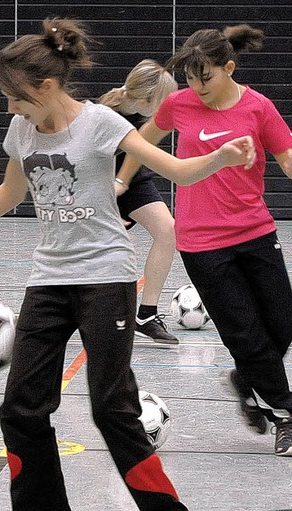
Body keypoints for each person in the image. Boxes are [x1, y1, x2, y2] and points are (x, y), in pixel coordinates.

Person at [0, 18, 255, 511]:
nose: (9, 109)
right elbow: (9, 190)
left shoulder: (100, 124)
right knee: (21, 407)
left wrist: (220, 157)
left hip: (106, 279)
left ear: (46, 88)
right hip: (48, 280)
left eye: (15, 98)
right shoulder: (23, 132)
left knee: (111, 406)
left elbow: (175, 171)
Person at [116, 25, 292, 456]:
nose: (197, 87)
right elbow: (140, 142)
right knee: (245, 333)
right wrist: (121, 181)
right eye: (191, 78)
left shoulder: (259, 107)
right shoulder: (179, 104)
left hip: (255, 230)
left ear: (228, 68)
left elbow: (287, 156)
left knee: (283, 324)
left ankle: (245, 379)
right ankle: (285, 414)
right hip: (202, 243)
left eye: (205, 78)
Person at [98, 60, 179, 345]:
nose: (163, 110)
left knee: (168, 230)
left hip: (131, 180)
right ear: (145, 100)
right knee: (112, 251)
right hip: (100, 185)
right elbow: (88, 169)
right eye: (160, 103)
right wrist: (105, 209)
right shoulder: (104, 116)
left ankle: (145, 314)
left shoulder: (145, 115)